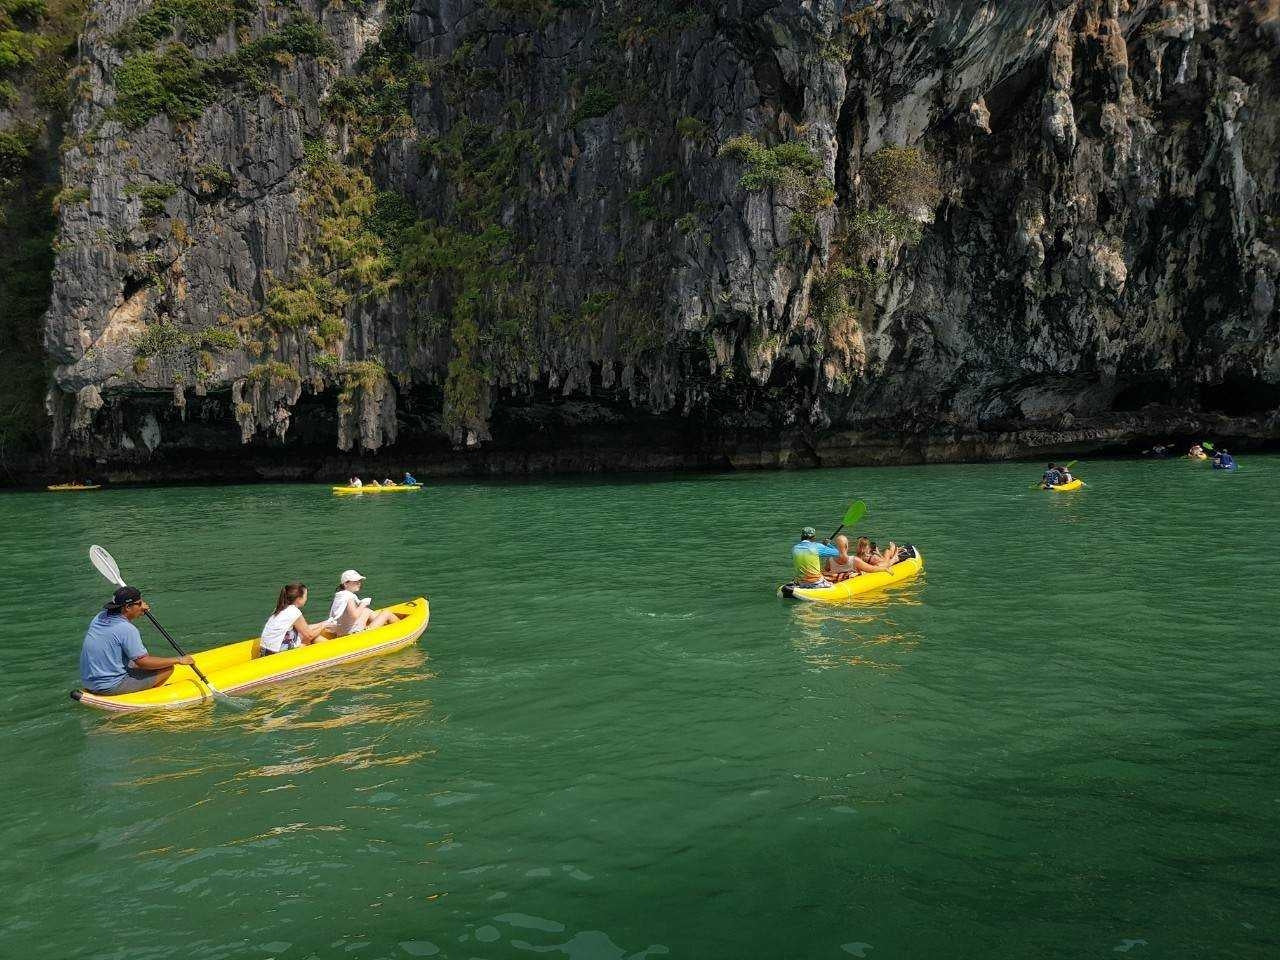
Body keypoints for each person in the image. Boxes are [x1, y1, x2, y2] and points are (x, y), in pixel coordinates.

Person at [79, 586, 193, 695]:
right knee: (167, 669)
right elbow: (144, 663)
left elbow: (119, 630)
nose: (142, 605)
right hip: (110, 687)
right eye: (139, 603)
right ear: (128, 607)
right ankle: (150, 696)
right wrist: (178, 660)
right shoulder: (128, 630)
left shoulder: (99, 617)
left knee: (133, 662)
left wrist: (138, 609)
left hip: (88, 682)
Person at [259, 583, 329, 656]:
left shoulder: (280, 609)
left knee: (308, 636)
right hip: (277, 654)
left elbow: (305, 628)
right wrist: (322, 627)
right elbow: (309, 635)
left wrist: (323, 623)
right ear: (299, 599)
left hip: (264, 651)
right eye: (305, 596)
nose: (306, 599)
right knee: (312, 638)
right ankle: (331, 651)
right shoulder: (294, 612)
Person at [325, 570, 397, 637]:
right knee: (386, 613)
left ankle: (383, 625)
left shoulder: (340, 595)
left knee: (366, 611)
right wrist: (363, 603)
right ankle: (399, 629)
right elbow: (354, 615)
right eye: (355, 581)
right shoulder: (349, 597)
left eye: (359, 581)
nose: (359, 583)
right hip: (354, 634)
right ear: (345, 584)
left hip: (342, 632)